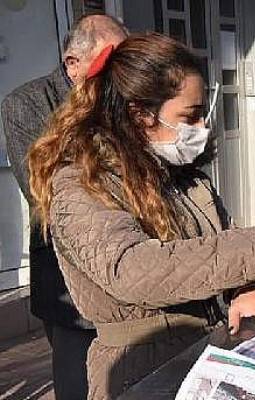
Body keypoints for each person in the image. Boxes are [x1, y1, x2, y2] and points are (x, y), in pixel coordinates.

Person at [26, 33, 255, 400]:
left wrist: (249, 288)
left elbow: (219, 243)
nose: (202, 129)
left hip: (207, 351)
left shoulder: (182, 174)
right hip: (140, 373)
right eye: (189, 116)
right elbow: (132, 270)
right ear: (140, 114)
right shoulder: (80, 184)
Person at [0, 14, 127, 400]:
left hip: (131, 269)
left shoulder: (122, 95)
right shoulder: (27, 104)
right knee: (79, 386)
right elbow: (45, 196)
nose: (125, 70)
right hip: (68, 280)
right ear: (74, 64)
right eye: (114, 59)